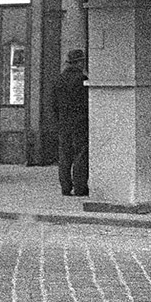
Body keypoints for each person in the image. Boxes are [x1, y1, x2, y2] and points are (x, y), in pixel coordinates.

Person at [53, 48, 89, 197]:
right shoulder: (81, 79)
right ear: (80, 62)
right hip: (79, 122)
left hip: (63, 123)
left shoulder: (59, 79)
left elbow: (53, 104)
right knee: (80, 154)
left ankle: (65, 187)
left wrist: (59, 120)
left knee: (65, 155)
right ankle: (80, 187)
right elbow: (86, 103)